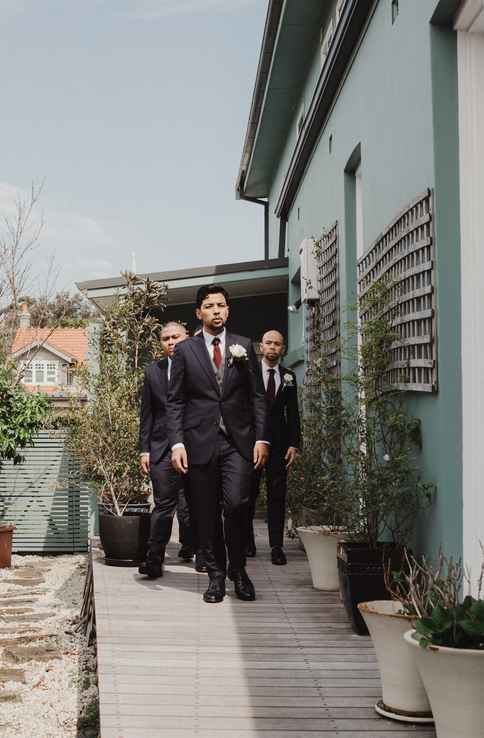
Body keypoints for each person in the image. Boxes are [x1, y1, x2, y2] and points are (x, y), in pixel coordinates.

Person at [167, 284, 269, 603]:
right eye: (209, 306)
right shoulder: (185, 350)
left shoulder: (242, 346)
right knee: (205, 512)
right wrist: (177, 444)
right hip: (198, 443)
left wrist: (262, 438)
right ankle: (216, 574)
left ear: (228, 310)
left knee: (237, 505)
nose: (216, 310)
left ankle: (239, 570)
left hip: (238, 443)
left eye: (221, 305)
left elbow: (257, 397)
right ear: (199, 312)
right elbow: (175, 402)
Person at [138, 321, 201, 578]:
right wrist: (144, 449)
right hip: (162, 448)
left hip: (197, 445)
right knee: (163, 505)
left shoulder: (201, 367)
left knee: (198, 505)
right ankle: (154, 559)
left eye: (176, 337)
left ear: (187, 338)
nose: (171, 342)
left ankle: (202, 553)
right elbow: (147, 414)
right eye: (166, 338)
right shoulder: (153, 371)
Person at [246, 330, 301, 565]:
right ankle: (246, 542)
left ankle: (276, 546)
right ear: (261, 346)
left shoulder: (289, 376)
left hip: (279, 445)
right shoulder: (249, 372)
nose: (272, 347)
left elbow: (293, 413)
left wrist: (294, 444)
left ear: (283, 348)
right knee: (248, 494)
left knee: (277, 495)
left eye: (277, 344)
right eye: (268, 343)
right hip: (252, 443)